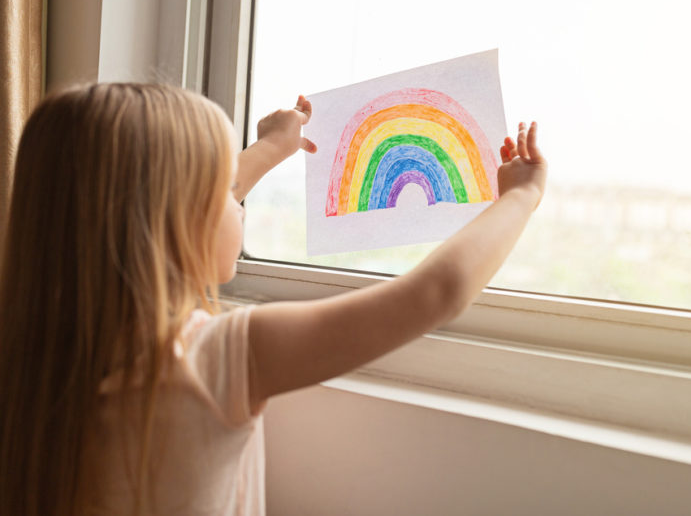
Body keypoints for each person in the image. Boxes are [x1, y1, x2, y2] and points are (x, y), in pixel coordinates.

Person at [0, 82, 546, 516]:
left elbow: (150, 204)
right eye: (226, 194)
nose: (240, 203)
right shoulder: (213, 361)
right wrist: (521, 196)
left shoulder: (33, 359)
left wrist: (268, 149)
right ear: (174, 223)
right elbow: (433, 295)